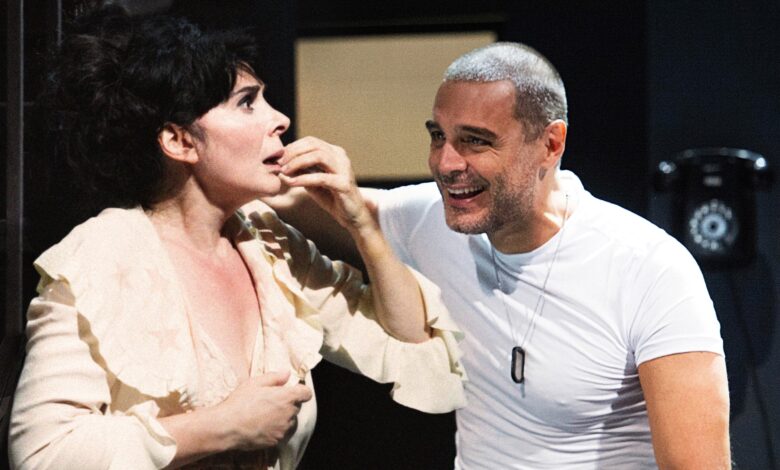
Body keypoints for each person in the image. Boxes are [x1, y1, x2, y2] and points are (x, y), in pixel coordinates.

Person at [8, 7, 466, 470]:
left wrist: (360, 225)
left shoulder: (268, 244)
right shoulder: (99, 259)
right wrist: (225, 425)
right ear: (180, 141)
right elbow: (44, 453)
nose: (280, 119)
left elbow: (411, 339)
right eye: (247, 102)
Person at [270, 42, 730, 468]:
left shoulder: (649, 268)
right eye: (438, 136)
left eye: (476, 141)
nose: (447, 163)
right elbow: (320, 204)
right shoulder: (429, 219)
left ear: (550, 144)